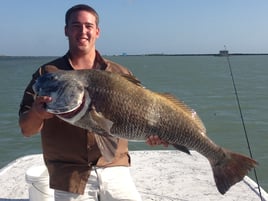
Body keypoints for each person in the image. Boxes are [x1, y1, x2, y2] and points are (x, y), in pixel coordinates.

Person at [19, 4, 167, 201]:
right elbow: (26, 130)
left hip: (115, 167)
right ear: (66, 30)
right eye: (76, 26)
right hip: (70, 176)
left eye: (88, 26)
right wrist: (37, 114)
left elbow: (145, 113)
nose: (83, 31)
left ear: (97, 31)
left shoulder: (121, 73)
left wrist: (155, 134)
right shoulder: (46, 76)